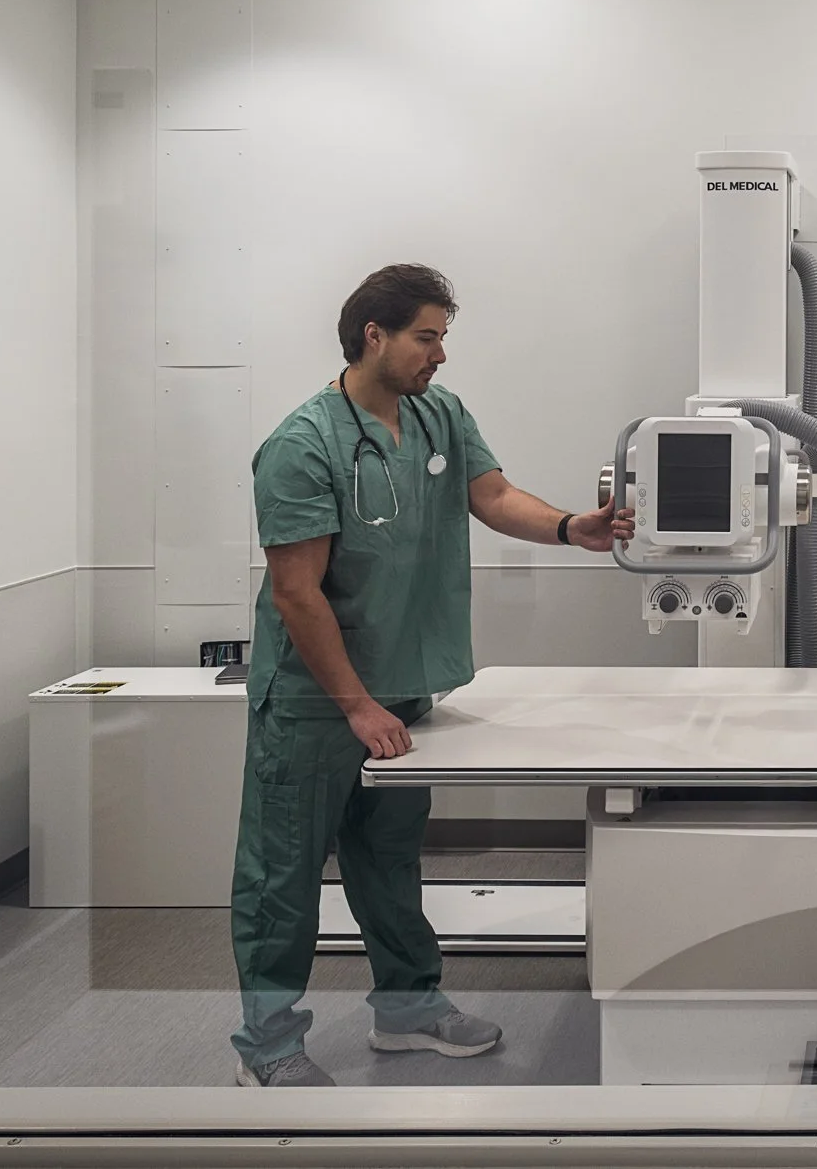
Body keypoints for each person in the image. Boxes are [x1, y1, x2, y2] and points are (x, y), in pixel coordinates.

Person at [229, 264, 633, 1087]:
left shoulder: (437, 414)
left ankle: (407, 1011)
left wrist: (571, 527)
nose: (440, 354)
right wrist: (355, 705)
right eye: (426, 337)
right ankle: (268, 1048)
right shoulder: (302, 446)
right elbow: (296, 592)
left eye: (443, 337)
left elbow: (493, 495)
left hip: (401, 686)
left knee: (389, 860)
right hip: (316, 700)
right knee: (282, 879)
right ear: (373, 335)